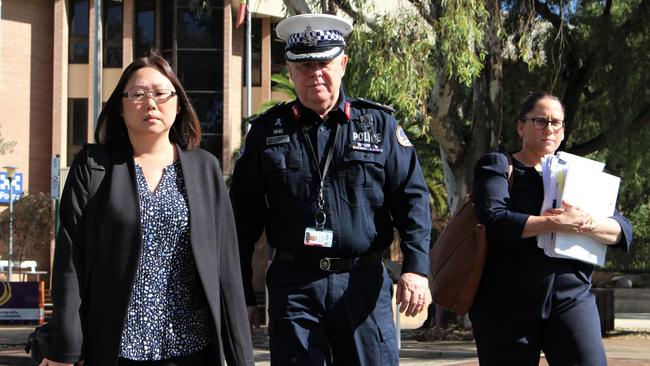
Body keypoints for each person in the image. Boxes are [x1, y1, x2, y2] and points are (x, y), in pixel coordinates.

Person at [229, 14, 432, 365]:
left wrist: (416, 269)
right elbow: (240, 221)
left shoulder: (379, 125)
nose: (314, 74)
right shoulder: (266, 132)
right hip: (295, 286)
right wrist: (242, 295)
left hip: (363, 282)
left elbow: (412, 200)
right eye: (303, 65)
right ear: (290, 71)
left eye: (323, 62)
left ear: (342, 63)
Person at [41, 52, 254, 366]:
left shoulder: (205, 169)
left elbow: (226, 270)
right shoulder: (94, 167)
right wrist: (65, 348)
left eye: (160, 93)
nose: (150, 103)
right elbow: (70, 260)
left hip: (192, 350)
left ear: (178, 103)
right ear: (121, 106)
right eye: (137, 94)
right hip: (115, 349)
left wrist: (241, 356)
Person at [470, 91, 633, 365]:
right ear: (521, 127)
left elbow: (620, 230)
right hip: (507, 300)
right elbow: (494, 220)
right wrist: (555, 223)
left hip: (572, 296)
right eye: (540, 121)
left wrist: (587, 223)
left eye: (556, 122)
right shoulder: (498, 165)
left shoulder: (580, 174)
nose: (549, 128)